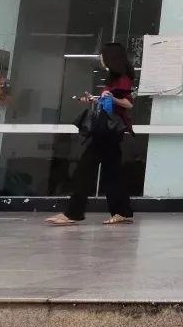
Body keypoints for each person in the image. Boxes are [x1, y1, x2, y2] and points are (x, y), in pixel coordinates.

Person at [47, 42, 135, 226]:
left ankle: (73, 213)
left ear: (110, 57)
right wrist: (94, 99)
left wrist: (111, 97)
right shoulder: (113, 78)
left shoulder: (122, 78)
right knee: (112, 173)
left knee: (85, 170)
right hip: (108, 130)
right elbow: (109, 102)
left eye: (102, 55)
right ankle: (122, 212)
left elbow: (128, 103)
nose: (101, 59)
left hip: (108, 132)